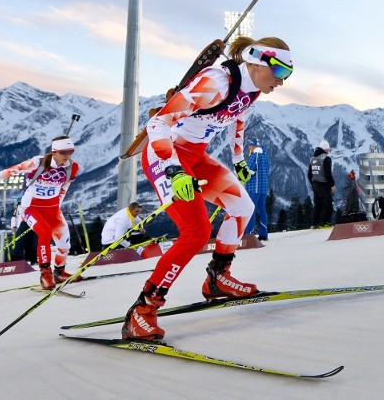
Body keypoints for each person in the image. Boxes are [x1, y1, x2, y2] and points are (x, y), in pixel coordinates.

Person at [122, 36, 293, 341]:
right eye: (279, 71)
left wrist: (238, 159)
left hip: (195, 156)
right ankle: (142, 310)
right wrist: (174, 171)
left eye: (288, 75)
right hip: (166, 156)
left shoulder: (251, 89)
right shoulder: (216, 83)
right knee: (196, 232)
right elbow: (158, 124)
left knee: (242, 208)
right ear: (256, 60)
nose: (282, 81)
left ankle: (218, 279)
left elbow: (236, 119)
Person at [0, 135, 80, 289]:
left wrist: (58, 202)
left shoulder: (72, 167)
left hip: (52, 209)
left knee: (64, 243)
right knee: (44, 233)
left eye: (71, 151)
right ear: (54, 151)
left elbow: (64, 187)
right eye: (64, 152)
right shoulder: (35, 163)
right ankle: (46, 274)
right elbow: (1, 175)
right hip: (31, 208)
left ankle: (59, 272)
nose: (68, 156)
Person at [244, 138, 271, 241]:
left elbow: (248, 171)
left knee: (251, 210)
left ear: (253, 146)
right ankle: (263, 234)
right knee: (262, 210)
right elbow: (268, 171)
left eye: (249, 146)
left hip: (253, 187)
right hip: (263, 188)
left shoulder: (254, 156)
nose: (249, 148)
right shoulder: (266, 157)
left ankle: (249, 234)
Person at [308, 139, 336, 228]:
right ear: (326, 149)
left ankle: (315, 223)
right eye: (328, 149)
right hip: (324, 184)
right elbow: (328, 173)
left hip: (315, 184)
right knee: (327, 204)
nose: (329, 151)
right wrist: (332, 184)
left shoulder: (313, 159)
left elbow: (309, 174)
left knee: (318, 204)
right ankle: (324, 223)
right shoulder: (326, 158)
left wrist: (312, 184)